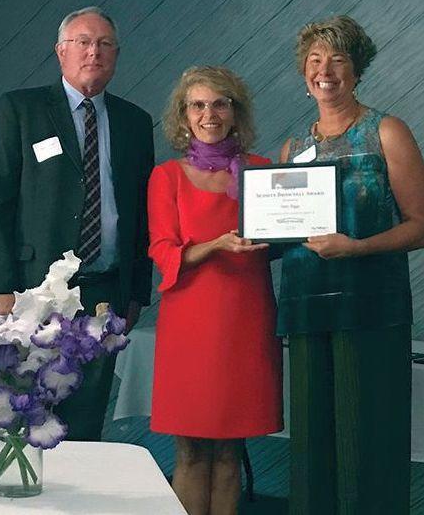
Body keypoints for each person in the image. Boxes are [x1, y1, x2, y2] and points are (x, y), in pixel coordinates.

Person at [278, 15, 424, 514]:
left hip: (372, 311)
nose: (324, 70)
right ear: (304, 71)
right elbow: (287, 230)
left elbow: (423, 228)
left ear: (356, 69)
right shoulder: (293, 147)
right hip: (306, 311)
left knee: (369, 446)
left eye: (338, 59)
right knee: (311, 453)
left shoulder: (386, 131)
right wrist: (255, 238)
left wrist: (357, 247)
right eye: (315, 60)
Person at [0, 6, 154, 441]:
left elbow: (142, 211)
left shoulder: (134, 122)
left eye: (104, 44)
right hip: (31, 292)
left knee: (85, 425)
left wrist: (136, 291)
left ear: (116, 55)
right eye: (83, 42)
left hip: (104, 293)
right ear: (61, 51)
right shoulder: (22, 109)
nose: (94, 52)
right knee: (24, 418)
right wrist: (0, 286)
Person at [148, 66, 283, 515]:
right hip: (189, 328)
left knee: (229, 452)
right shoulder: (166, 176)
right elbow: (163, 251)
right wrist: (216, 245)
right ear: (184, 116)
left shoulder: (262, 171)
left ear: (235, 111)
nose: (210, 114)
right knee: (190, 452)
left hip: (246, 321)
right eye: (198, 105)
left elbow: (283, 237)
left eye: (220, 104)